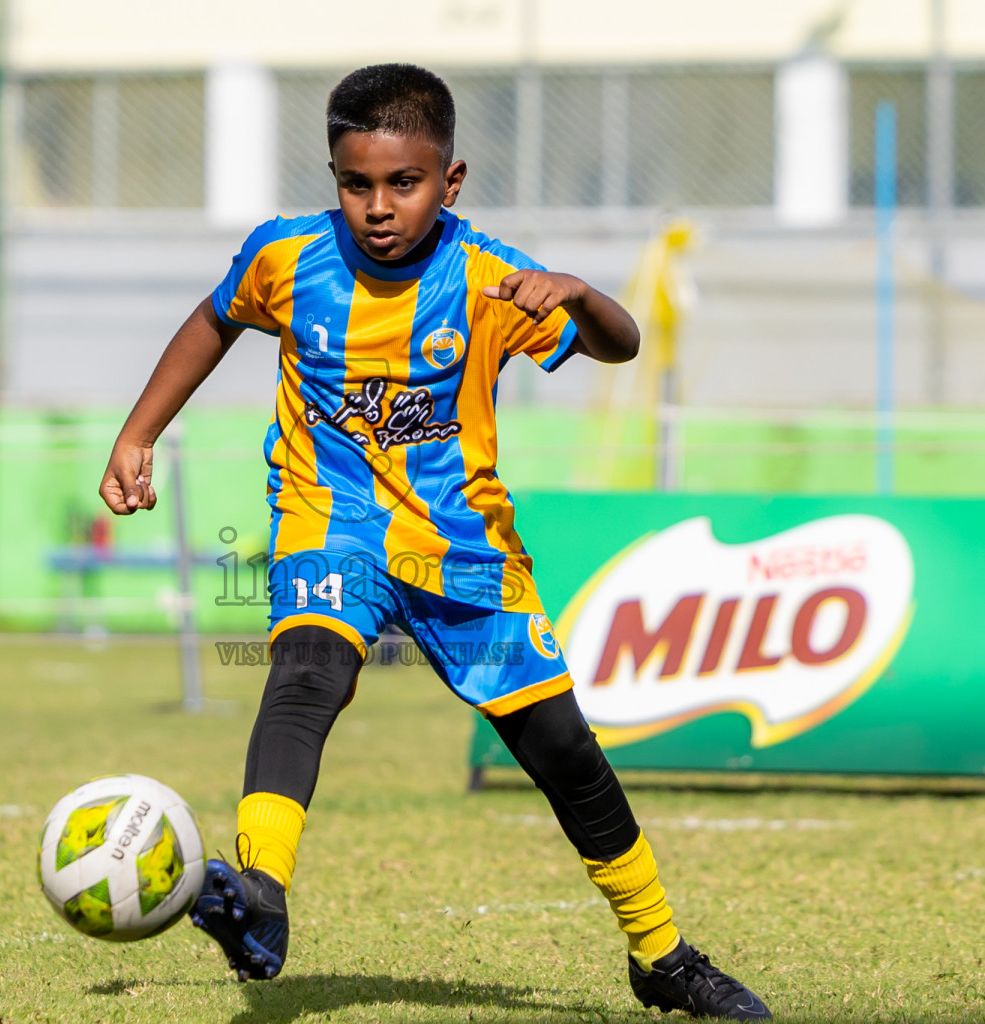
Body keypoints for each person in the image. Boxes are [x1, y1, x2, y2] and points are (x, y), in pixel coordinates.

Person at [99, 65, 771, 1019]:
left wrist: (579, 294)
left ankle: (662, 955)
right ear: (333, 177)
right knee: (306, 673)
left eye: (403, 184)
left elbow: (618, 344)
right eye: (356, 183)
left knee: (562, 750)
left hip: (463, 550)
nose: (378, 206)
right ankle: (261, 892)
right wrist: (138, 433)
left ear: (449, 181)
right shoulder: (285, 257)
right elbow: (214, 320)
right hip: (330, 522)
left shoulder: (490, 279)